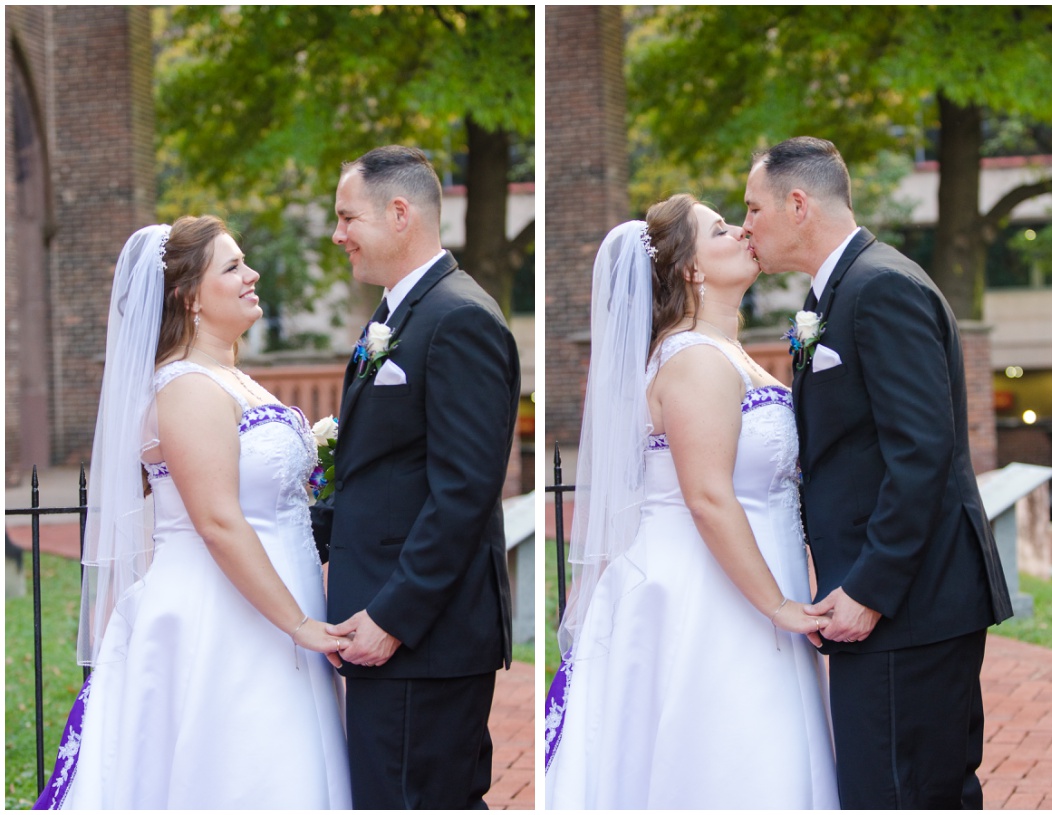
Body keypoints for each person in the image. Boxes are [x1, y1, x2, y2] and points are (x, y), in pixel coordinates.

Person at [35, 216, 351, 809]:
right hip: (223, 613)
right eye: (231, 267)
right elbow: (218, 521)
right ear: (188, 298)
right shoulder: (185, 388)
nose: (252, 274)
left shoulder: (229, 379)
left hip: (272, 598)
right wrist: (299, 624)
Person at [743, 136, 1014, 808]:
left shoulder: (881, 286)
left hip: (911, 602)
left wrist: (870, 587)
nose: (746, 224)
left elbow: (922, 449)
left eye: (753, 208)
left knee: (904, 790)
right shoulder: (833, 293)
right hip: (889, 602)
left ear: (797, 203)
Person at [544, 195, 839, 809]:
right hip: (708, 592)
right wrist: (779, 606)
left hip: (745, 572)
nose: (743, 231)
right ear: (691, 270)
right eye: (721, 229)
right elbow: (707, 496)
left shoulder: (721, 350)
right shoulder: (695, 359)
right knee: (724, 760)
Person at [311, 145, 520, 809]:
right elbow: (381, 475)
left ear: (399, 212)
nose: (337, 233)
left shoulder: (458, 318)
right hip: (392, 630)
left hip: (423, 635)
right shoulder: (394, 316)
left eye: (348, 217)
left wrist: (392, 616)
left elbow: (463, 491)